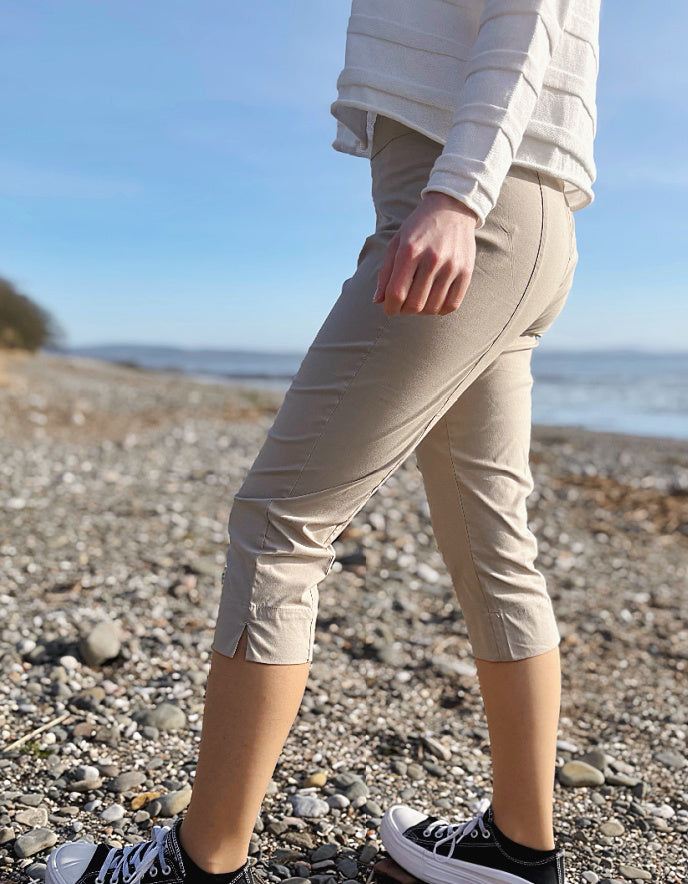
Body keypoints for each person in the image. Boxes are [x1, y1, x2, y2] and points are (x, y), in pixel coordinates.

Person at [45, 1, 600, 883]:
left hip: (472, 204)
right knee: (497, 545)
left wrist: (456, 195)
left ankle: (199, 861)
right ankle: (520, 848)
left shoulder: (462, 192)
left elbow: (522, 14)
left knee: (277, 529)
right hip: (525, 215)